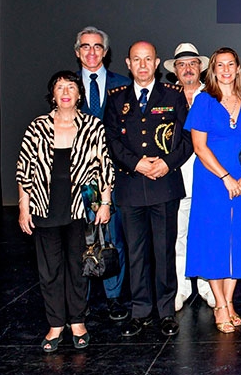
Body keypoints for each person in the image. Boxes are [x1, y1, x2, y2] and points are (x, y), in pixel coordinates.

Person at [17, 70, 114, 351]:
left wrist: (105, 203)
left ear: (79, 94)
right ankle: (55, 324)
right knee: (49, 271)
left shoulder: (92, 126)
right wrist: (24, 207)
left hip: (80, 209)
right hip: (44, 207)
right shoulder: (37, 127)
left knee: (78, 268)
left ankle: (77, 322)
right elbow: (24, 171)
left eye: (71, 86)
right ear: (53, 95)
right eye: (60, 87)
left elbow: (104, 168)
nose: (66, 91)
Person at [104, 41, 193, 337]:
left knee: (165, 251)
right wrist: (137, 164)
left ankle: (166, 311)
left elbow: (187, 138)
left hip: (165, 186)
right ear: (128, 64)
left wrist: (166, 164)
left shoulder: (173, 95)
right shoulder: (116, 99)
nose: (143, 65)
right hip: (130, 187)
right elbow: (113, 141)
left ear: (156, 63)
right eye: (137, 60)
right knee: (136, 252)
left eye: (148, 60)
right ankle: (140, 310)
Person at [183, 47, 241, 333]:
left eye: (231, 65)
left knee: (238, 239)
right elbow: (199, 147)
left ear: (238, 68)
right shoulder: (204, 101)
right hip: (213, 182)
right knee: (214, 240)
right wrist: (226, 177)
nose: (225, 70)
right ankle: (220, 303)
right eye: (220, 65)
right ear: (212, 70)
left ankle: (229, 300)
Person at [74, 25, 130, 322]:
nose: (92, 52)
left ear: (106, 53)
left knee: (112, 237)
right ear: (77, 51)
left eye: (97, 47)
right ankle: (78, 301)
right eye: (86, 46)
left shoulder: (122, 85)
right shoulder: (68, 87)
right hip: (77, 178)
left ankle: (114, 297)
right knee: (79, 239)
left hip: (115, 174)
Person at [162, 43, 216, 311]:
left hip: (209, 176)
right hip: (177, 176)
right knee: (179, 233)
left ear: (201, 68)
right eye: (181, 65)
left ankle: (206, 285)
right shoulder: (167, 98)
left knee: (206, 231)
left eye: (192, 64)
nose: (187, 69)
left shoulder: (214, 96)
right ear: (175, 71)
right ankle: (182, 286)